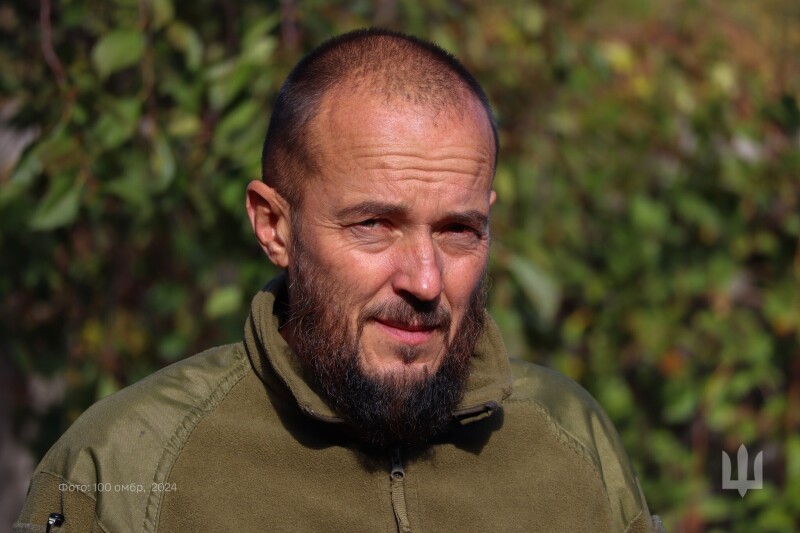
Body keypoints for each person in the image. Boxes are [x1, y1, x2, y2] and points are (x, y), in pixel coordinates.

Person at [15, 29, 663, 532]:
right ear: (274, 226)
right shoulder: (123, 468)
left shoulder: (572, 441)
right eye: (374, 225)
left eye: (458, 230)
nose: (425, 280)